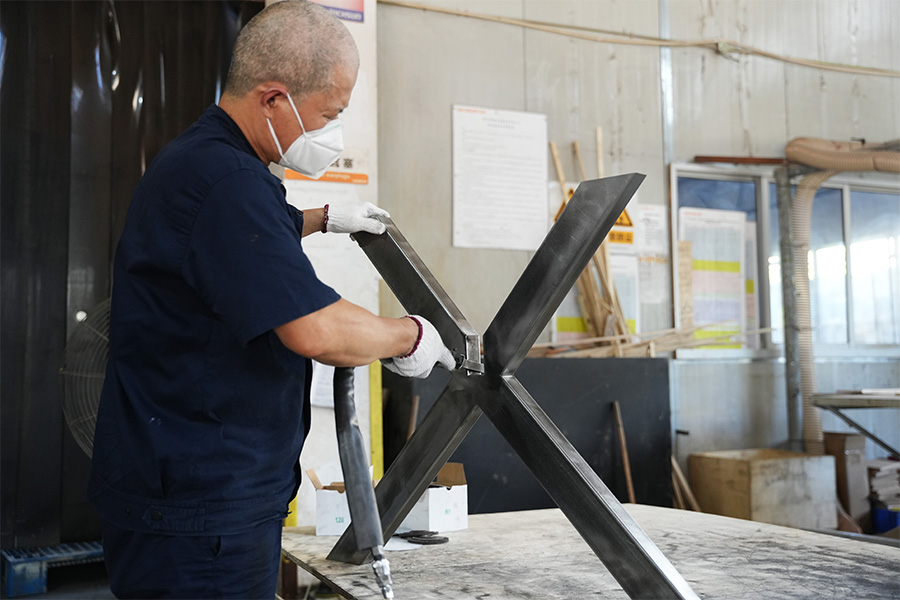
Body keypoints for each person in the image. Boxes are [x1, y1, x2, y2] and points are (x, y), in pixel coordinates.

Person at [88, 2, 453, 597]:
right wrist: (407, 336)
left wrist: (319, 218)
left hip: (174, 486)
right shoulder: (228, 182)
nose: (332, 133)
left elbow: (221, 250)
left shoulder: (201, 160)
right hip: (200, 514)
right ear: (274, 100)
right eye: (328, 115)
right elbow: (316, 330)